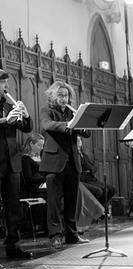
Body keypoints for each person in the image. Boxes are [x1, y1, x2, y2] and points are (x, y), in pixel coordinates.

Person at [40, 81, 91, 249]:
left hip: (72, 161)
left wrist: (82, 125)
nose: (64, 98)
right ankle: (55, 235)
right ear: (54, 96)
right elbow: (48, 125)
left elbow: (87, 133)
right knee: (54, 202)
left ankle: (72, 235)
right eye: (60, 95)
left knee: (71, 201)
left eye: (66, 95)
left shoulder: (73, 113)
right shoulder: (47, 111)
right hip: (54, 162)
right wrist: (69, 125)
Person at [0, 69, 33, 258]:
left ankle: (13, 245)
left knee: (13, 206)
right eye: (3, 83)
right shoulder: (6, 112)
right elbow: (7, 122)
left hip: (12, 162)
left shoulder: (8, 104)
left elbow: (27, 128)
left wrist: (25, 114)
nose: (7, 87)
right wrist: (6, 120)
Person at [77, 137, 116, 207]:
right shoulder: (76, 155)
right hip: (83, 180)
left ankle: (102, 208)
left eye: (80, 141)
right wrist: (90, 168)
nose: (79, 142)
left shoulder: (84, 154)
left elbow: (93, 167)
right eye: (77, 141)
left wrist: (90, 169)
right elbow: (84, 166)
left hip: (91, 178)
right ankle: (99, 210)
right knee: (100, 191)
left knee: (112, 189)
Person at [21, 133, 46, 198]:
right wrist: (45, 179)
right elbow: (29, 179)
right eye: (39, 145)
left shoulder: (42, 157)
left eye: (43, 145)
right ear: (31, 144)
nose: (42, 148)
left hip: (43, 185)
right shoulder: (26, 158)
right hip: (34, 188)